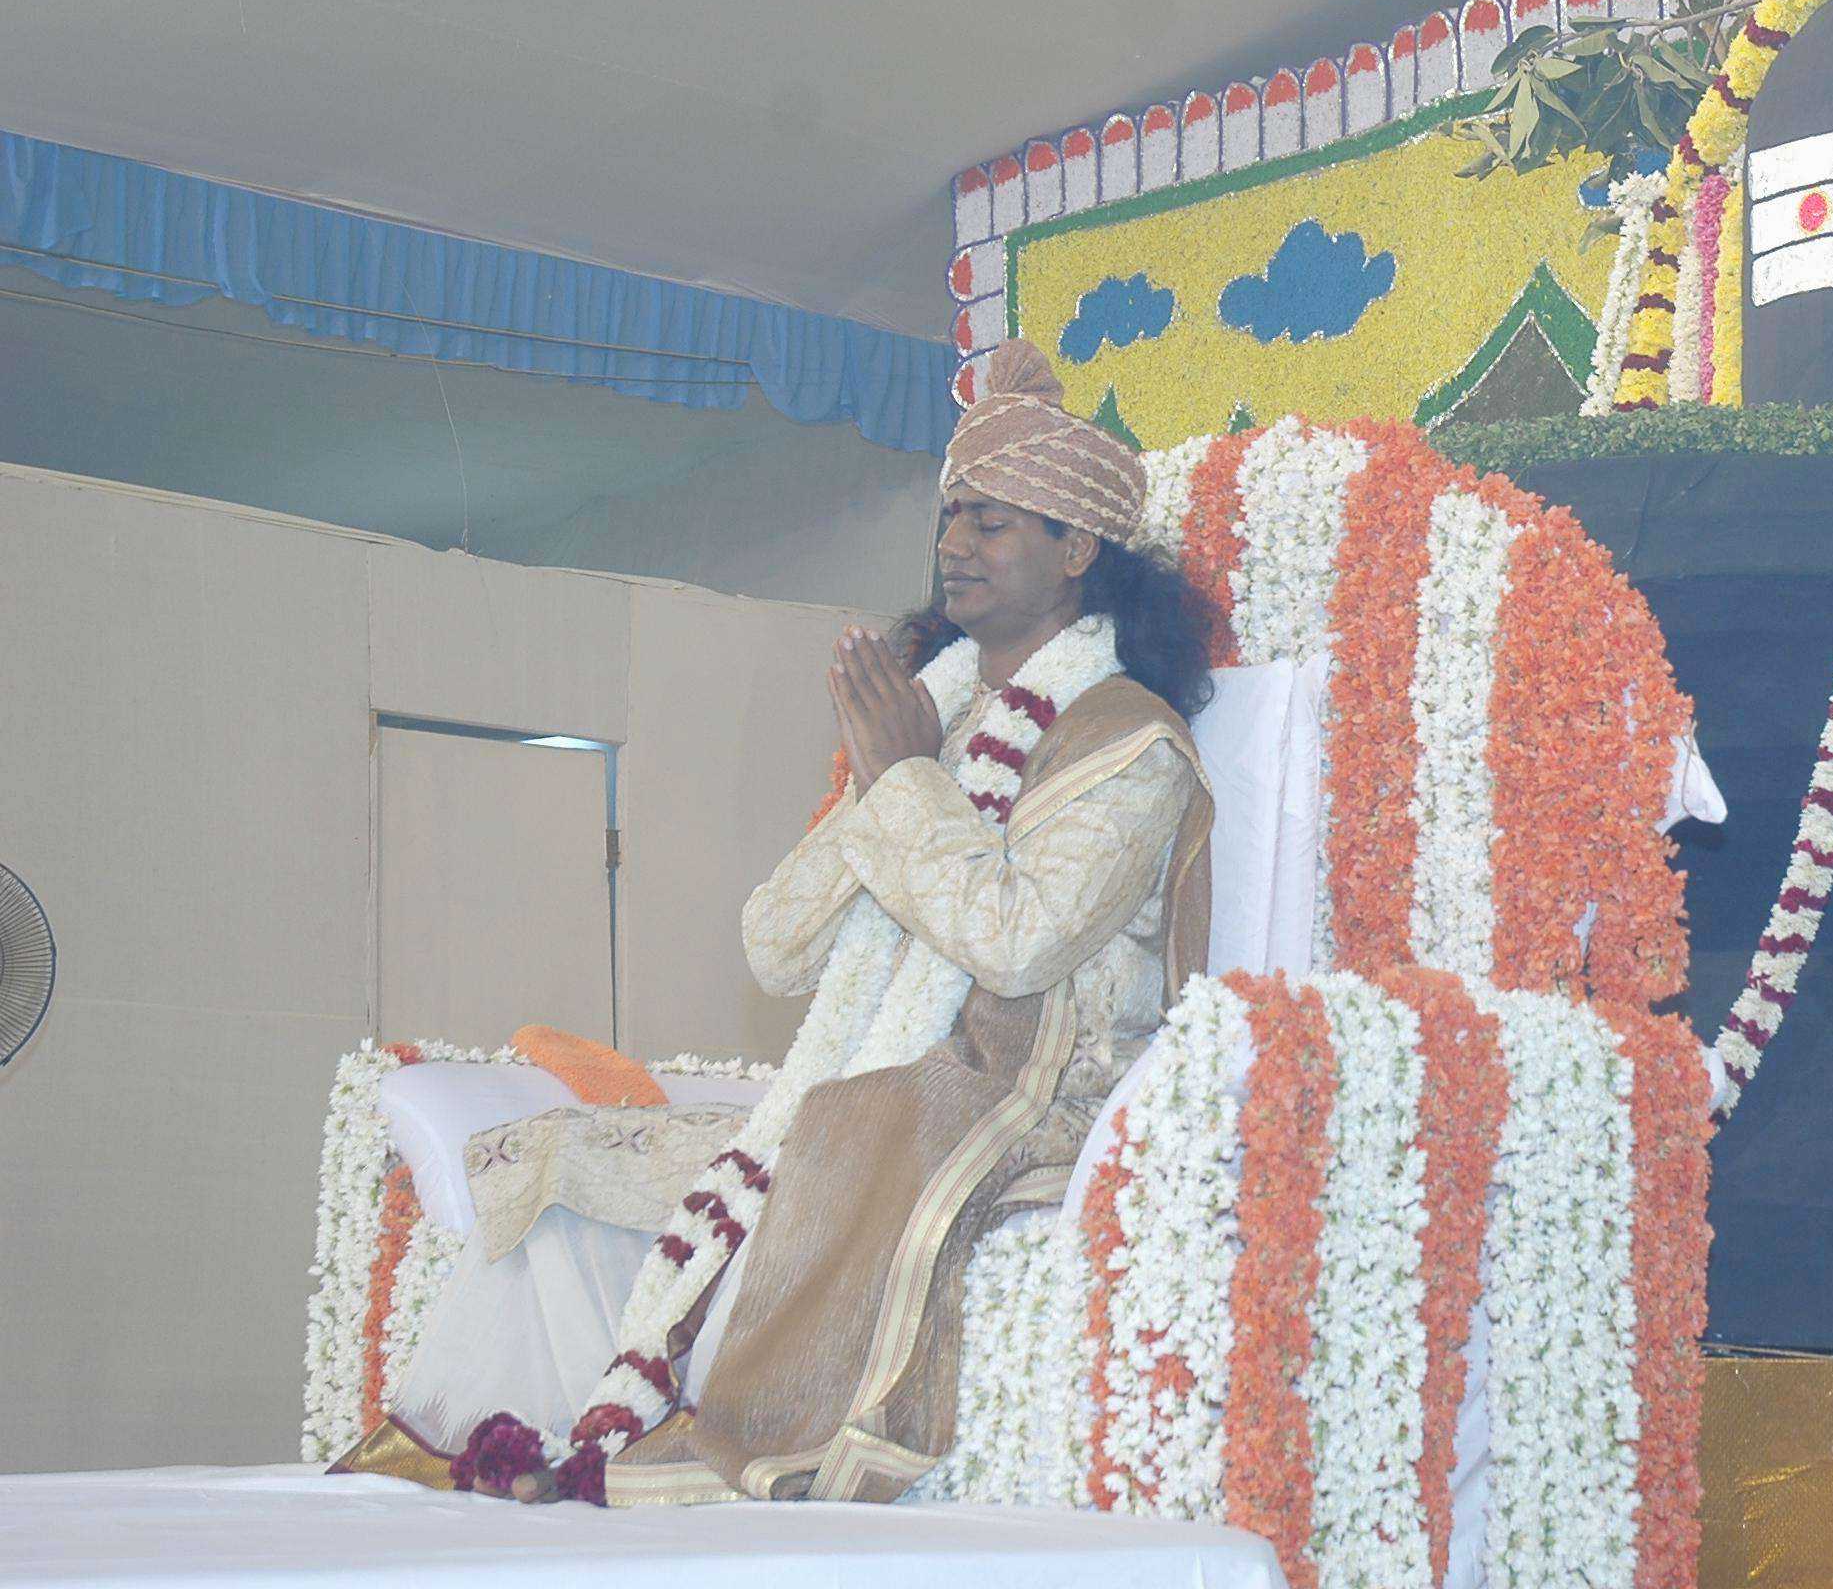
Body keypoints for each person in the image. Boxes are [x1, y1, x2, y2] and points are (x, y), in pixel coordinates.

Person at [351, 340, 1216, 1505]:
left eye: (992, 519)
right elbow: (776, 946)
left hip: (1023, 1097)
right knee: (571, 1157)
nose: (953, 542)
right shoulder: (932, 714)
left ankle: (682, 1457)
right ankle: (476, 1448)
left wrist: (904, 779)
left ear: (1077, 549)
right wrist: (886, 778)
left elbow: (1016, 944)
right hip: (872, 1082)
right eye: (949, 514)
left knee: (848, 1128)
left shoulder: (1129, 742)